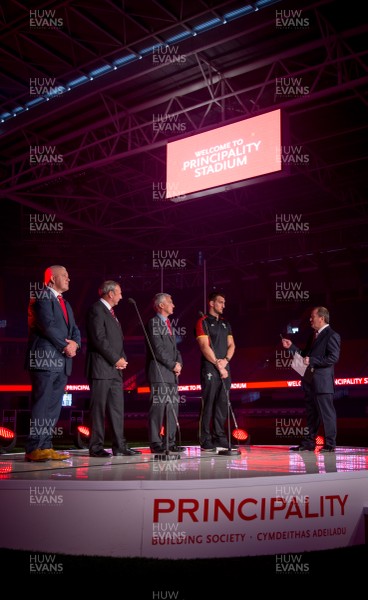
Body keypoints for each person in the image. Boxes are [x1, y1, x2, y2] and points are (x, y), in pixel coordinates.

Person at [25, 265, 81, 462]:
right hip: (45, 359)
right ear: (51, 279)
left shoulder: (65, 303)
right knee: (42, 404)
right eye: (64, 275)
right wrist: (66, 346)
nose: (68, 279)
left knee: (53, 406)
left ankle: (46, 445)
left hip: (62, 362)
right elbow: (46, 326)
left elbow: (75, 329)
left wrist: (75, 344)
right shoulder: (42, 297)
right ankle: (34, 448)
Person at [85, 280, 141, 457]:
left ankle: (120, 446)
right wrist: (116, 358)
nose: (121, 296)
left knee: (117, 408)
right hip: (101, 368)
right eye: (119, 293)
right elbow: (98, 339)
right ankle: (96, 447)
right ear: (110, 294)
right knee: (98, 409)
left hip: (115, 370)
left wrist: (121, 358)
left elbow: (116, 340)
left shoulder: (111, 313)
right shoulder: (96, 309)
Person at [281, 306, 341, 452]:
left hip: (322, 383)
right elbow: (304, 355)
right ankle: (309, 442)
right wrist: (292, 347)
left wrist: (312, 360)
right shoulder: (313, 335)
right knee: (311, 414)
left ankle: (330, 445)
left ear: (322, 318)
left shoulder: (332, 335)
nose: (310, 319)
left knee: (326, 414)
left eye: (312, 316)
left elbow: (333, 357)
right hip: (310, 381)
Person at [195, 292, 235, 451]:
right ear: (211, 303)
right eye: (220, 302)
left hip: (225, 367)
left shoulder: (226, 323)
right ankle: (205, 439)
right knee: (209, 404)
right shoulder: (202, 321)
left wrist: (225, 361)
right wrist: (219, 366)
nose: (223, 305)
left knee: (222, 404)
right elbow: (204, 346)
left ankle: (220, 436)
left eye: (224, 303)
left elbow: (232, 345)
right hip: (210, 368)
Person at [146, 293, 183, 453]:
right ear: (161, 305)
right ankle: (156, 443)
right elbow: (158, 349)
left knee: (172, 408)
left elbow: (176, 350)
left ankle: (170, 442)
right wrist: (173, 364)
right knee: (158, 408)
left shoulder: (168, 324)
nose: (173, 305)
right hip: (160, 373)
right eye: (170, 302)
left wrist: (179, 363)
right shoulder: (154, 323)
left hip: (171, 374)